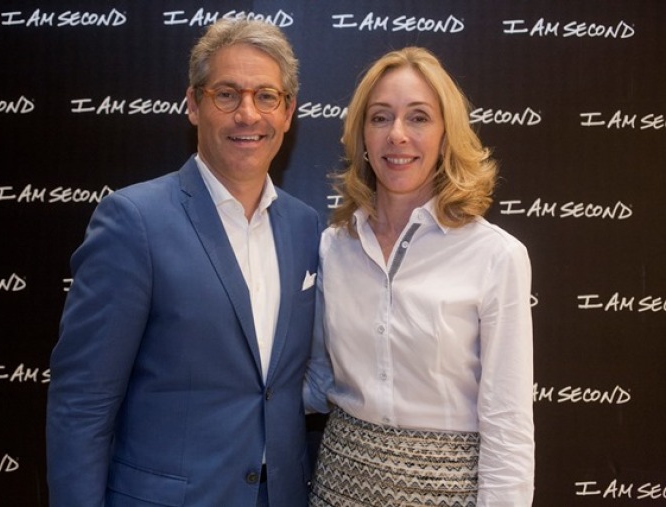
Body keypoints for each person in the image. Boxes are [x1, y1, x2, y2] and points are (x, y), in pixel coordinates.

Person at [47, 19, 320, 507]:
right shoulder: (133, 222)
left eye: (266, 96)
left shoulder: (304, 226)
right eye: (227, 94)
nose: (247, 114)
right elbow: (83, 403)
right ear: (193, 105)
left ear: (288, 112)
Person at [304, 46, 534, 506]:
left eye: (419, 118)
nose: (398, 135)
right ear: (361, 135)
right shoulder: (334, 246)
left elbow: (507, 422)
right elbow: (314, 381)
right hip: (340, 486)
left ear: (447, 134)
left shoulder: (496, 256)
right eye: (381, 117)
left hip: (450, 492)